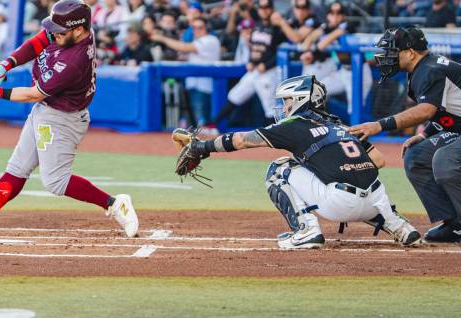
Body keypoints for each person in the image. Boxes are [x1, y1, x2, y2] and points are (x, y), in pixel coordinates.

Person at [0, 0, 139, 237]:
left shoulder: (73, 61)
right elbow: (37, 43)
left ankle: (115, 203)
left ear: (79, 29)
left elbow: (32, 94)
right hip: (47, 109)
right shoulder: (73, 31)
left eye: (60, 32)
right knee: (17, 168)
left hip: (62, 119)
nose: (54, 35)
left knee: (55, 181)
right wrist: (5, 66)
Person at [173, 75, 421, 249]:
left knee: (279, 168)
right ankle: (398, 226)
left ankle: (306, 231)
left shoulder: (294, 125)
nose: (283, 106)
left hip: (339, 204)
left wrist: (202, 147)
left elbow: (242, 141)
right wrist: (334, 164)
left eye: (287, 101)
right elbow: (378, 160)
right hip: (377, 202)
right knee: (359, 180)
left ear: (302, 100)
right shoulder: (339, 124)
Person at [351, 27, 461, 243]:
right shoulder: (422, 69)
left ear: (411, 52)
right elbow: (446, 112)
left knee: (445, 159)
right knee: (416, 155)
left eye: (393, 51)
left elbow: (427, 110)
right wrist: (425, 134)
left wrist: (379, 125)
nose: (386, 56)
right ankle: (455, 224)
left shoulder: (430, 69)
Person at [210, 0, 287, 126]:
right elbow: (256, 47)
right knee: (235, 95)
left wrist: (267, 64)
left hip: (268, 71)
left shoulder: (277, 28)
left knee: (269, 106)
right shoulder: (257, 25)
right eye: (261, 8)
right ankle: (214, 124)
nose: (263, 11)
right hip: (255, 69)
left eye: (266, 8)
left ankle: (277, 133)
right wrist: (251, 61)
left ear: (272, 9)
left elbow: (280, 51)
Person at [151, 17, 220, 127]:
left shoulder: (211, 40)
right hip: (193, 85)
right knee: (194, 124)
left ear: (207, 28)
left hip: (204, 87)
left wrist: (162, 38)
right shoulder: (198, 41)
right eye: (194, 28)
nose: (196, 30)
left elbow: (183, 47)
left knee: (204, 124)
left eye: (200, 28)